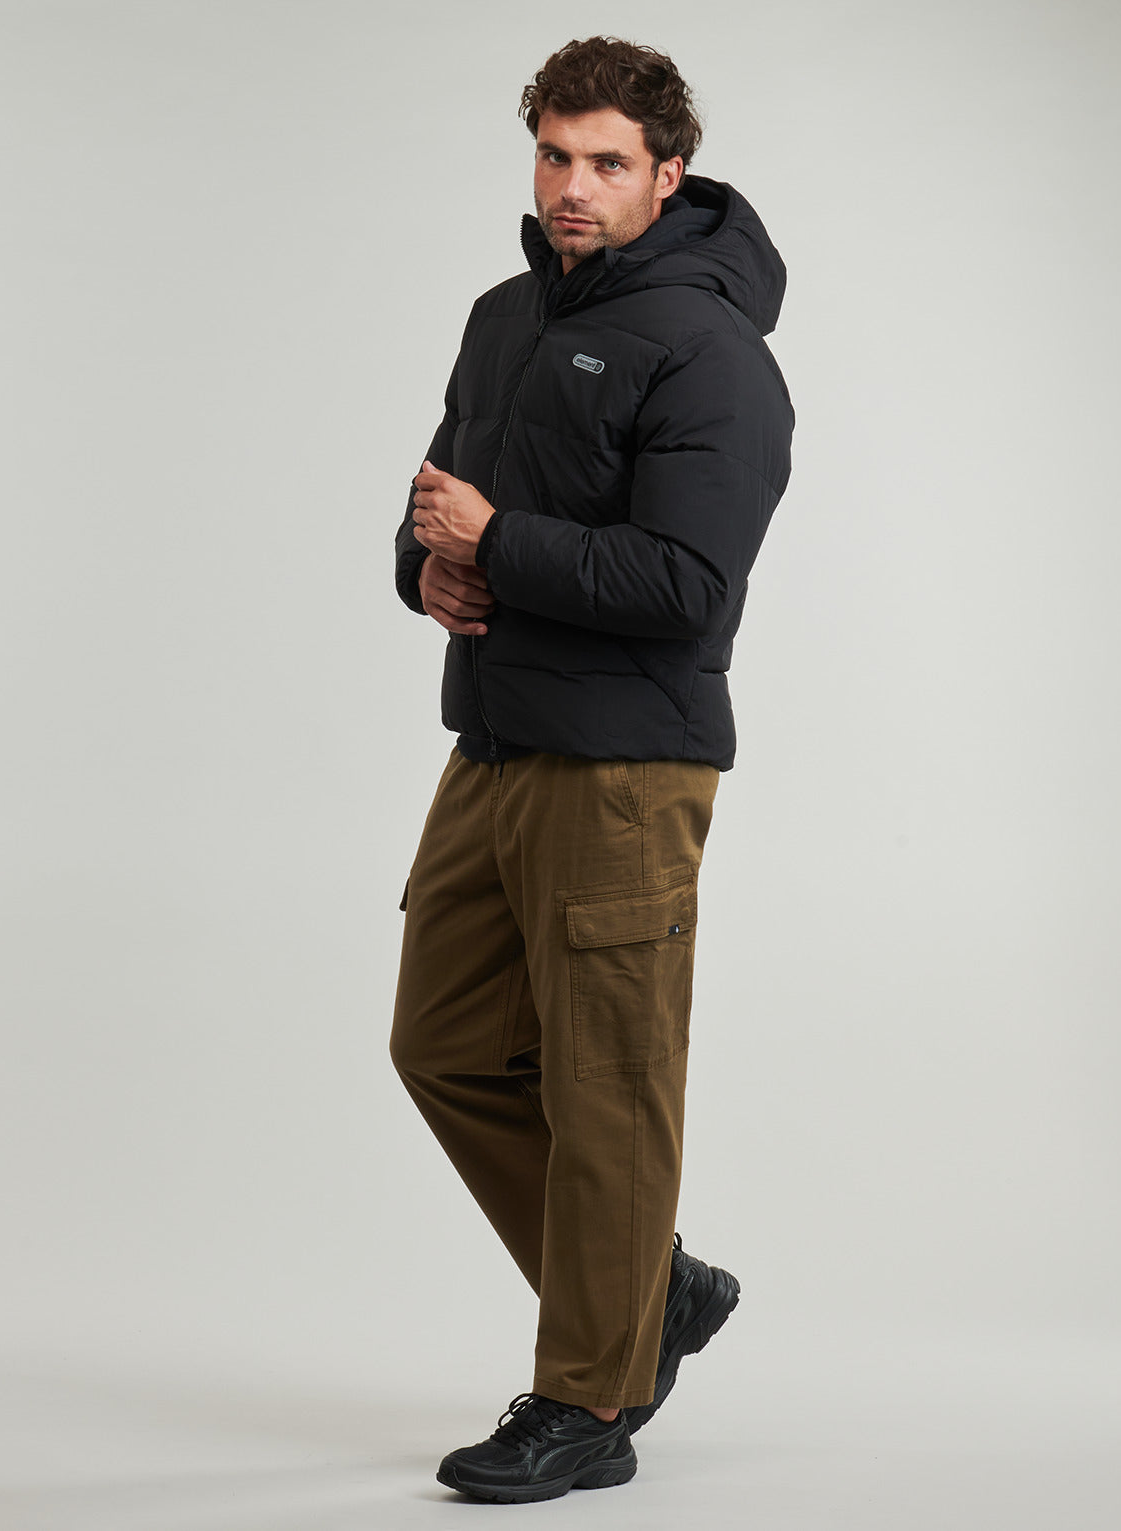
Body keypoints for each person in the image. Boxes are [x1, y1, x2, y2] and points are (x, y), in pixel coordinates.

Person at [389, 34, 794, 1504]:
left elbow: (688, 585)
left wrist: (497, 544)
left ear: (667, 174)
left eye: (607, 162)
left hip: (625, 767)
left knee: (608, 1087)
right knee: (443, 1045)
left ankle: (590, 1400)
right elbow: (438, 500)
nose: (573, 185)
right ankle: (653, 1288)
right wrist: (425, 570)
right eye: (555, 155)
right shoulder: (504, 316)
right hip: (494, 738)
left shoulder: (711, 351)